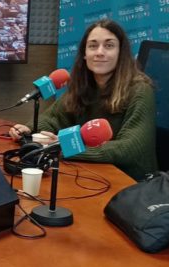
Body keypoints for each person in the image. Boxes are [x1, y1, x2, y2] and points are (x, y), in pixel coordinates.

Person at [9, 19, 157, 180]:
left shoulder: (140, 90)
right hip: (92, 172)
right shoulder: (84, 85)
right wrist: (28, 129)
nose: (100, 52)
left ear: (121, 53)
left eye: (109, 46)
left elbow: (129, 149)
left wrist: (64, 149)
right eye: (93, 46)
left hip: (129, 180)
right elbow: (54, 118)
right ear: (85, 55)